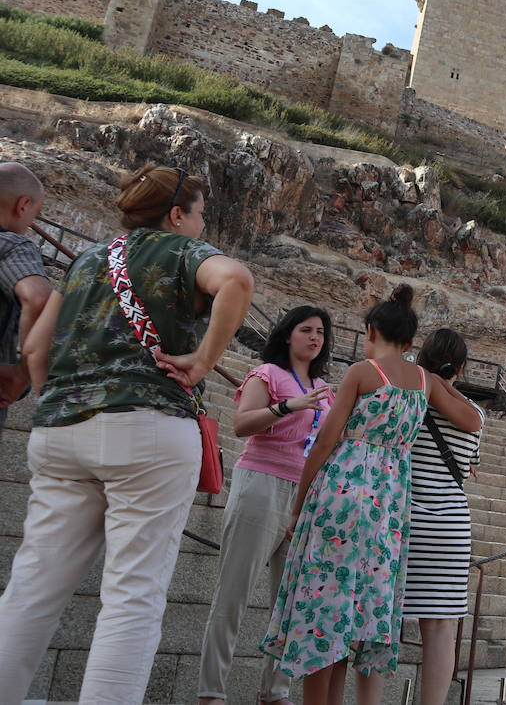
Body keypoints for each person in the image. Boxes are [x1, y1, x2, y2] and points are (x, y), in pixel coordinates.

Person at [0, 164, 254, 703]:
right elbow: (236, 280)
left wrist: (53, 396)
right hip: (149, 428)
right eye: (201, 215)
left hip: (62, 432)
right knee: (132, 596)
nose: (201, 225)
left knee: (32, 590)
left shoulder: (91, 258)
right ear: (176, 214)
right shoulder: (181, 252)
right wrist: (204, 359)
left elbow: (35, 348)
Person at [261, 285, 478, 705]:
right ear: (411, 341)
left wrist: (299, 501)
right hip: (390, 502)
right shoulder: (423, 381)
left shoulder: (363, 372)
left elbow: (326, 440)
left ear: (371, 330)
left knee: (324, 604)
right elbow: (472, 420)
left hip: (344, 486)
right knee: (359, 606)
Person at [198, 306, 336, 705]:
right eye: (306, 330)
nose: (315, 338)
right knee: (233, 594)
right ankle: (211, 693)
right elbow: (242, 424)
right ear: (287, 335)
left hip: (305, 496)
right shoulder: (268, 375)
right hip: (260, 484)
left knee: (290, 600)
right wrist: (289, 406)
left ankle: (275, 693)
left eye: (321, 333)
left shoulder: (324, 387)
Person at [406, 329, 484, 705]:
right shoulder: (476, 413)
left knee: (381, 617)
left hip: (403, 517)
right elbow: (470, 465)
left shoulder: (408, 402)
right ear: (462, 367)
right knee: (440, 628)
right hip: (451, 523)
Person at [0, 163, 53, 425]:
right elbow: (39, 298)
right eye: (35, 211)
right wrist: (22, 373)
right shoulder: (11, 245)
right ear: (22, 206)